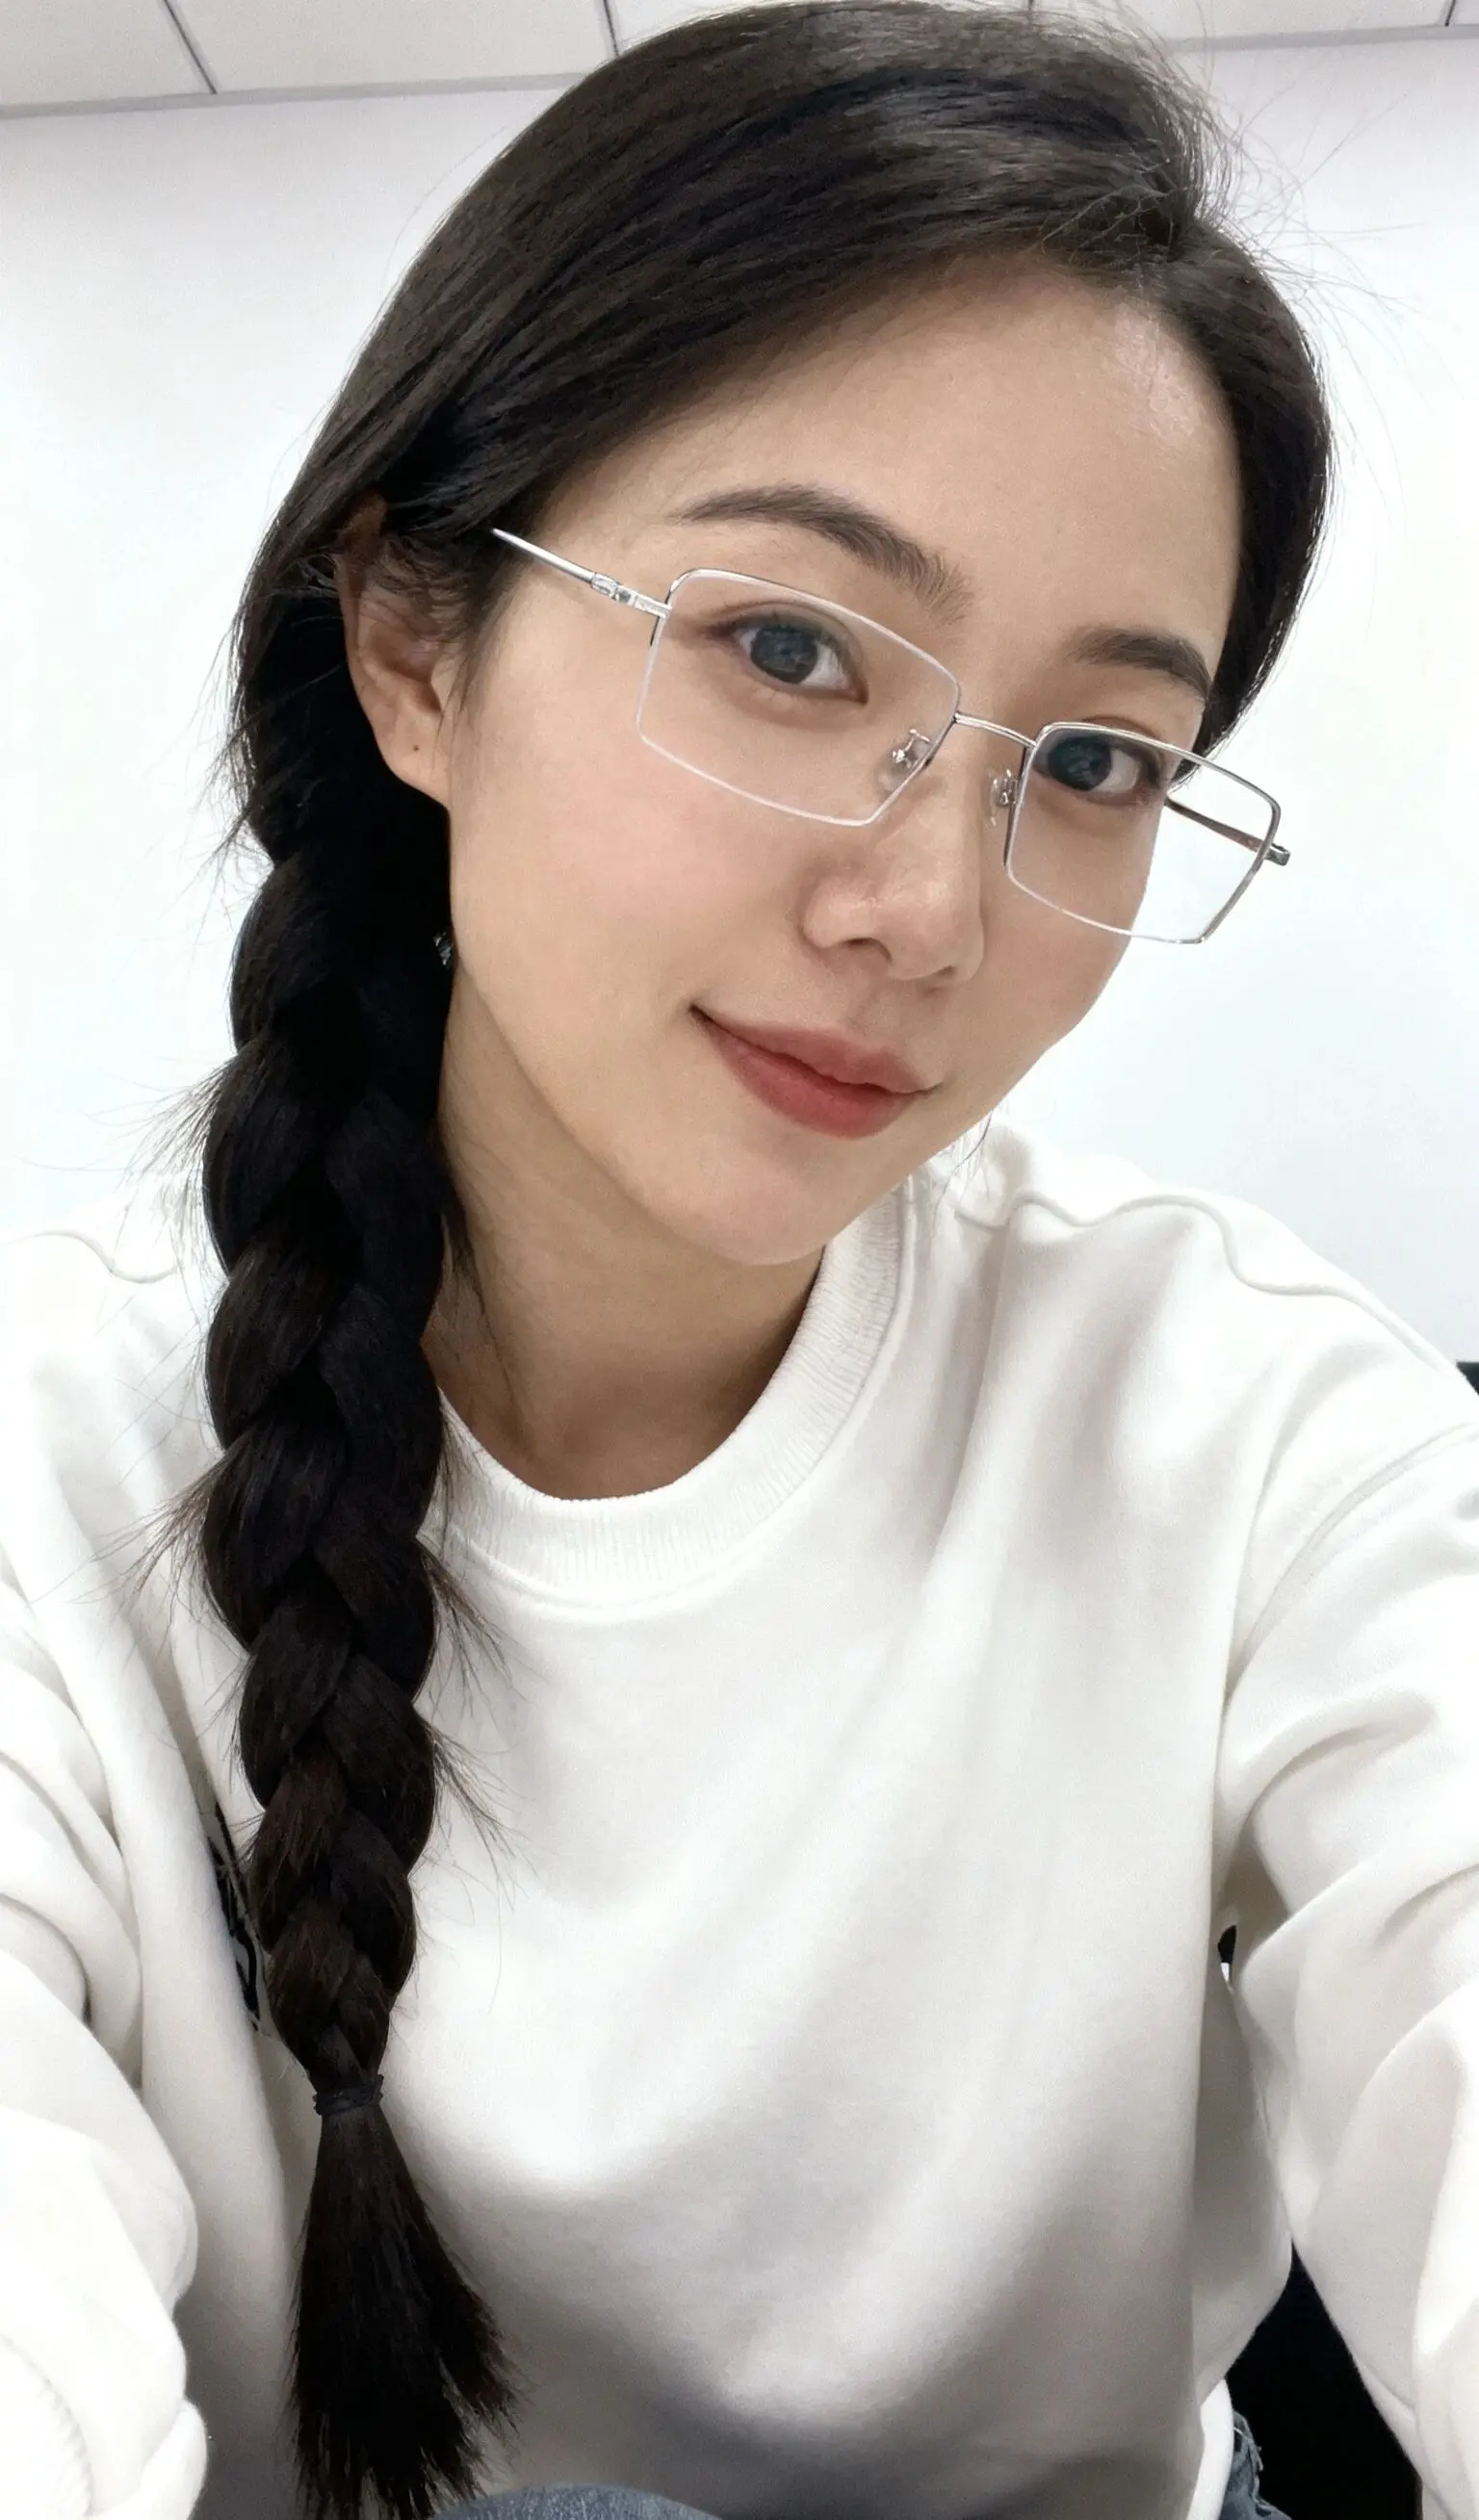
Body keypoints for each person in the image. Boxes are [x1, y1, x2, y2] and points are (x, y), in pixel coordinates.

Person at [3, 2, 1475, 2516]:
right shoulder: (58, 1446)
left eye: (1092, 763)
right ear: (416, 645)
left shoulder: (1259, 1436)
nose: (927, 910)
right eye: (789, 649)